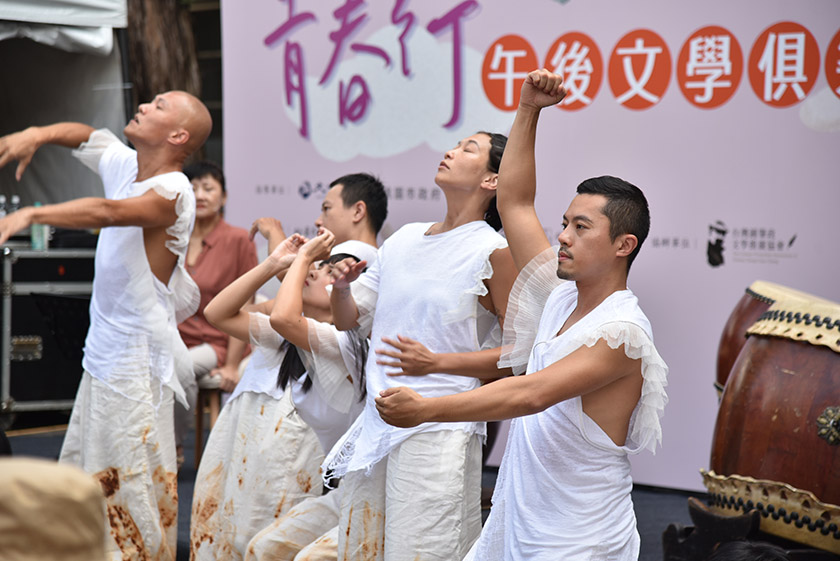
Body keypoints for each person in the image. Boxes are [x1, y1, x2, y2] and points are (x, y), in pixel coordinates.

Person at [375, 69, 669, 560]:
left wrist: (426, 409)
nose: (563, 236)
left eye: (581, 227)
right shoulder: (557, 294)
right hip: (517, 521)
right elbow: (513, 200)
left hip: (579, 540)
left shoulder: (622, 332)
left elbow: (531, 392)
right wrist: (528, 108)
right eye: (565, 223)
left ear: (624, 245)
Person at [0, 90, 212, 561]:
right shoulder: (126, 165)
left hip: (135, 367)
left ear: (178, 136)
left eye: (159, 105)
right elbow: (86, 136)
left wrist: (32, 213)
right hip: (103, 358)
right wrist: (37, 134)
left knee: (127, 489)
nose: (145, 105)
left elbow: (111, 213)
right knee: (86, 478)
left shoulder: (175, 190)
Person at [326, 132, 517, 560]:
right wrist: (340, 288)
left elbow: (518, 357)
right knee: (362, 549)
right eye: (456, 145)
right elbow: (348, 319)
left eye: (468, 149)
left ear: (491, 181)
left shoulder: (494, 251)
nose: (451, 151)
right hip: (378, 424)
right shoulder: (404, 238)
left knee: (422, 551)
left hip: (440, 430)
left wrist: (437, 363)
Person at [190, 229, 367, 560]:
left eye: (329, 271)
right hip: (338, 488)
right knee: (258, 547)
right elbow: (217, 313)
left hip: (359, 488)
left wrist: (303, 257)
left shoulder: (347, 344)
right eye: (316, 266)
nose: (313, 272)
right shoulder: (289, 339)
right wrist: (273, 262)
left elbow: (284, 317)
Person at [175, 160, 258, 461]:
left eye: (208, 188)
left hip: (216, 341)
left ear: (223, 197)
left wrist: (232, 365)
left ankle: (173, 447)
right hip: (176, 336)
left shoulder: (238, 240)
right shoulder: (175, 236)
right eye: (193, 188)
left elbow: (245, 306)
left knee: (179, 366)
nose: (200, 195)